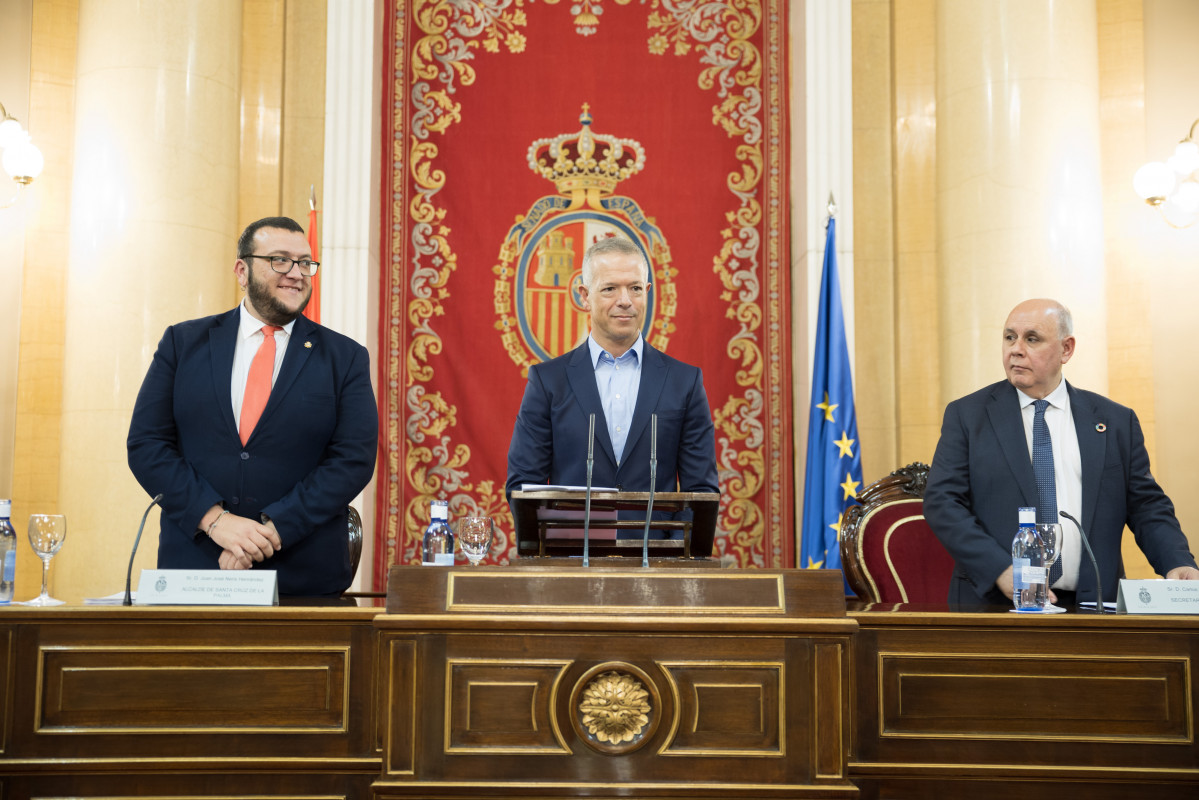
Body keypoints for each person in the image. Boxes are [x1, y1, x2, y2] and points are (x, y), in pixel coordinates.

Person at [127, 216, 378, 596]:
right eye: (280, 260)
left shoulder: (345, 358)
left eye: (305, 263)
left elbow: (352, 460)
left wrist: (269, 532)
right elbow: (148, 446)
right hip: (195, 571)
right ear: (242, 271)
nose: (296, 273)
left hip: (302, 578)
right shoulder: (182, 344)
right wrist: (216, 522)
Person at [925, 298, 1199, 606]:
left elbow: (1146, 506)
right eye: (1009, 337)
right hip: (995, 605)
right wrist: (1000, 569)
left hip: (1092, 606)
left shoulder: (1115, 421)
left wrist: (1177, 562)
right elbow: (942, 503)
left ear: (1066, 349)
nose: (1015, 348)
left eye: (1032, 339)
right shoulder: (969, 415)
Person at [505, 236, 719, 532]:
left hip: (657, 566)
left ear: (647, 292)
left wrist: (670, 551)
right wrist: (558, 546)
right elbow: (523, 487)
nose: (625, 300)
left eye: (634, 288)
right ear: (584, 295)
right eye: (609, 289)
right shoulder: (547, 381)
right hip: (571, 563)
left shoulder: (685, 382)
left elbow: (702, 493)